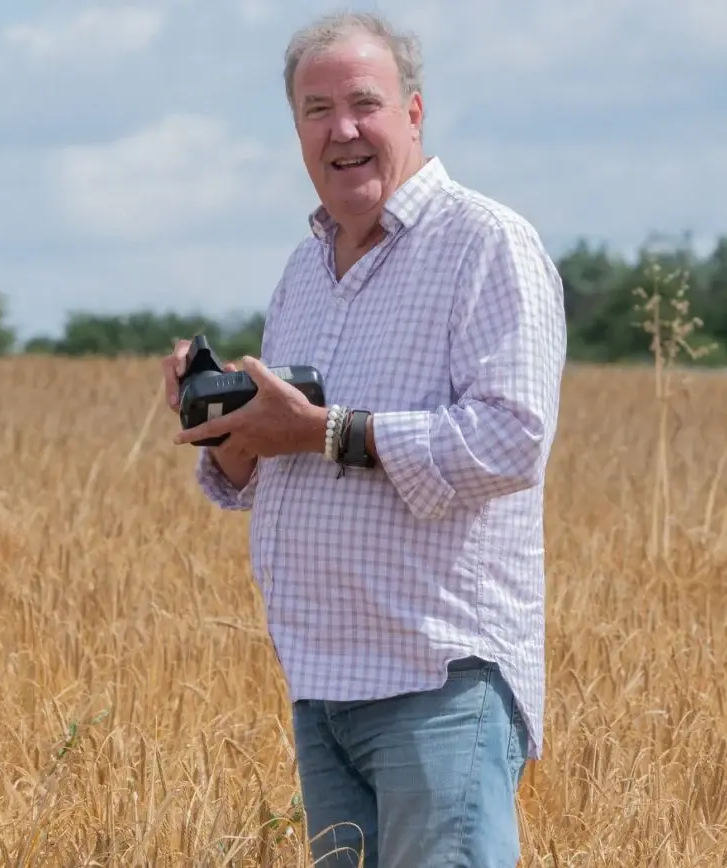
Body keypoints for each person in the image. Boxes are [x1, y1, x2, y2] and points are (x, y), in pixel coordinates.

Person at [162, 11, 566, 868]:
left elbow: (511, 440)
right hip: (323, 689)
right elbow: (274, 461)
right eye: (316, 110)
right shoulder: (303, 270)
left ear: (414, 114)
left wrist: (326, 431)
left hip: (437, 680)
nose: (341, 130)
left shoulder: (486, 243)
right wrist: (225, 429)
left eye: (364, 104)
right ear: (296, 129)